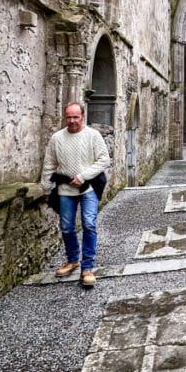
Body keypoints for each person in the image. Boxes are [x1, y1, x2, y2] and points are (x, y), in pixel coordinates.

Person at [41, 101, 111, 285]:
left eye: (75, 117)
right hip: (65, 190)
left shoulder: (93, 136)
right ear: (65, 117)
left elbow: (104, 160)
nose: (72, 121)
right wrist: (46, 189)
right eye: (69, 117)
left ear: (82, 116)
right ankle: (72, 260)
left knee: (89, 224)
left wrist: (83, 176)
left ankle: (87, 267)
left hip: (88, 188)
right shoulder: (57, 138)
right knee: (67, 228)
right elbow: (49, 164)